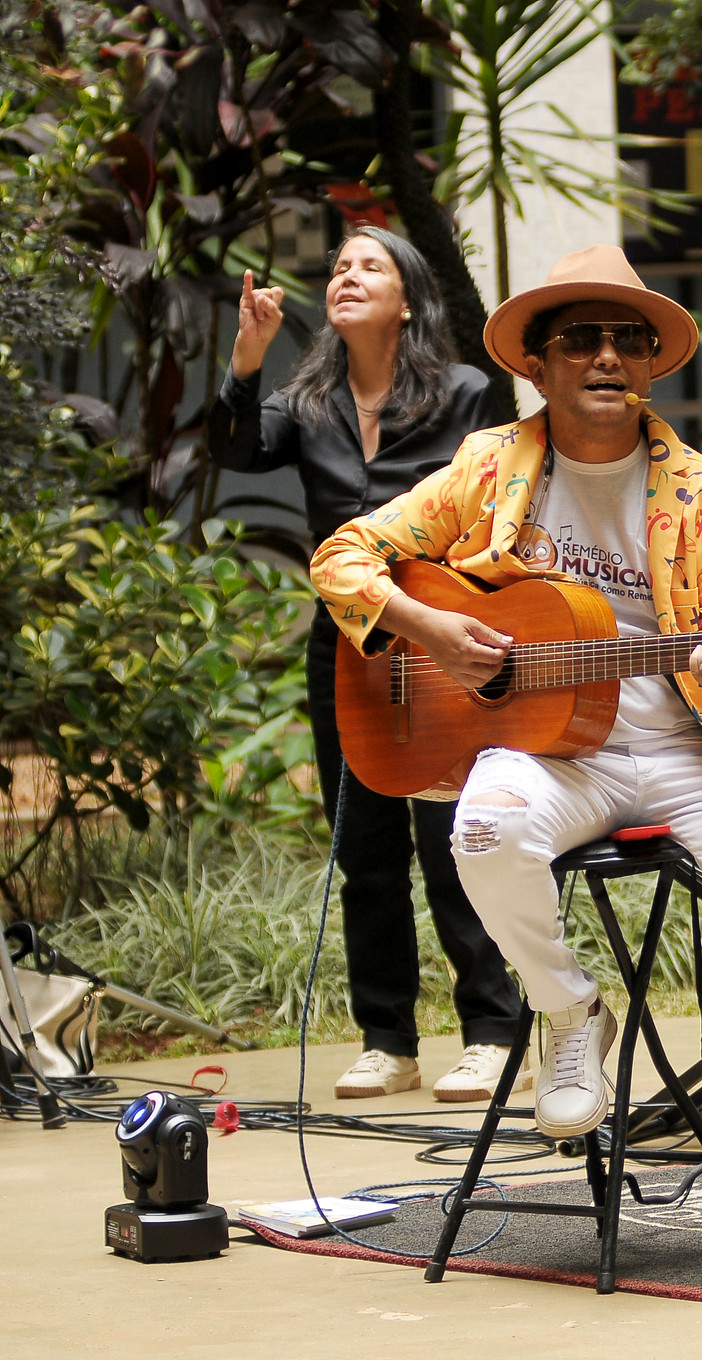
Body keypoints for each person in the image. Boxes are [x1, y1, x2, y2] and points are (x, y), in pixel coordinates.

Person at [308, 245, 702, 1280]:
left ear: (651, 363)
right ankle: (564, 1007)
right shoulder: (486, 469)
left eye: (628, 339)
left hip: (688, 754)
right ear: (539, 367)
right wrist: (434, 629)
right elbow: (342, 556)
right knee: (481, 823)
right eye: (580, 339)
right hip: (550, 755)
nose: (606, 355)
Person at [207, 227, 525, 1104]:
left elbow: (497, 507)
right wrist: (247, 358)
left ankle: (493, 1030)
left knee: (453, 837)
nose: (347, 276)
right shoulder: (307, 401)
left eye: (368, 266)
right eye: (339, 267)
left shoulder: (465, 393)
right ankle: (387, 1038)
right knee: (367, 845)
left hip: (443, 641)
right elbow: (234, 449)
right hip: (345, 645)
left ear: (408, 298)